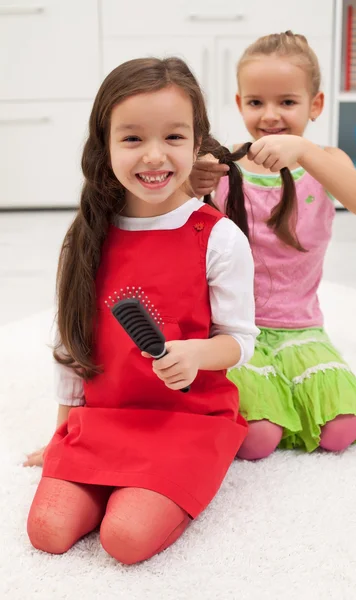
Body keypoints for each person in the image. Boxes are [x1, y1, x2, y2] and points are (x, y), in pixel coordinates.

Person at [24, 57, 259, 564]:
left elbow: (240, 341)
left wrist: (196, 354)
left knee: (125, 539)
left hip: (187, 421)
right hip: (107, 417)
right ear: (103, 147)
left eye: (173, 138)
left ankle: (157, 487)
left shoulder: (217, 237)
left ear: (197, 144)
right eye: (131, 139)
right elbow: (71, 344)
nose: (154, 156)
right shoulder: (88, 235)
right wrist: (63, 433)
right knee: (47, 530)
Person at [190, 31, 356, 460]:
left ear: (315, 106)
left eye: (288, 102)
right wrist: (191, 181)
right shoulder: (225, 167)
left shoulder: (327, 162)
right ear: (240, 104)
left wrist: (304, 149)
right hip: (234, 327)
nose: (271, 115)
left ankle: (289, 393)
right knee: (257, 440)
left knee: (341, 430)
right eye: (257, 102)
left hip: (301, 326)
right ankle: (268, 402)